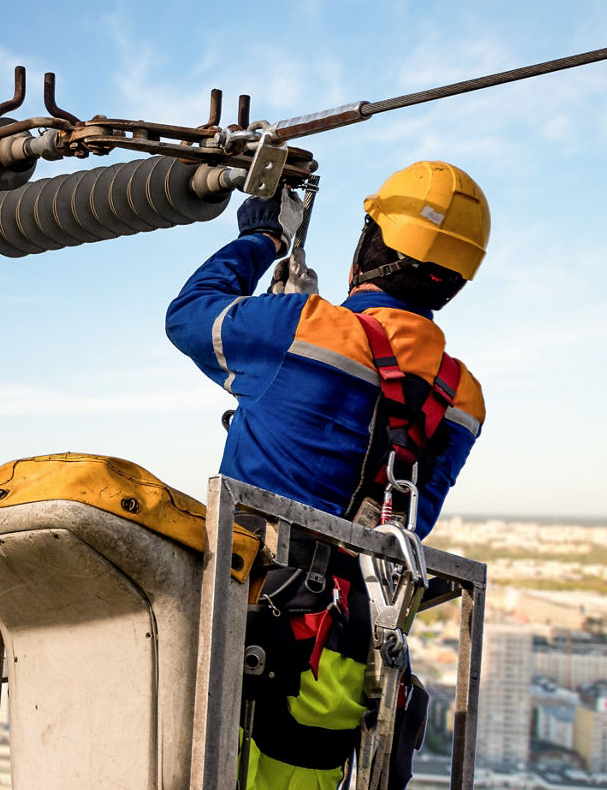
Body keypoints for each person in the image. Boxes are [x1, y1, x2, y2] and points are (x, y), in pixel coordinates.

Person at [165, 161, 489, 789]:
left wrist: (263, 240)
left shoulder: (304, 327)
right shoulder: (463, 396)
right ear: (453, 281)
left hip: (245, 626)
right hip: (351, 653)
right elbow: (410, 508)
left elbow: (189, 316)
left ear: (371, 244)